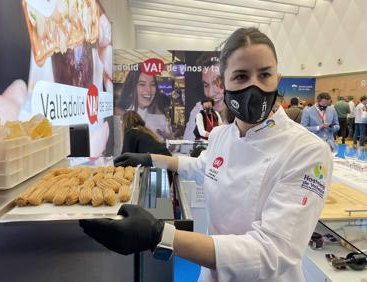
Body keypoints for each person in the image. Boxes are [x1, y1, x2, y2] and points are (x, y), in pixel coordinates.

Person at [80, 27, 333, 282]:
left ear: (277, 79)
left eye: (264, 74)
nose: (254, 86)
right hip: (212, 275)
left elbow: (271, 252)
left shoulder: (307, 151)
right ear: (223, 84)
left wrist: (160, 235)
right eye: (241, 76)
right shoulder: (222, 135)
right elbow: (203, 167)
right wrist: (151, 159)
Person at [115, 68, 171, 142]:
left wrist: (170, 142)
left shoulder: (159, 117)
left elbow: (170, 145)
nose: (149, 90)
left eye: (152, 84)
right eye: (142, 84)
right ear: (131, 88)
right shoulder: (118, 115)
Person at [183, 52, 225, 143]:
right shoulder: (199, 109)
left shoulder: (244, 113)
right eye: (206, 85)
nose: (210, 93)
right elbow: (186, 148)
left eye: (217, 83)